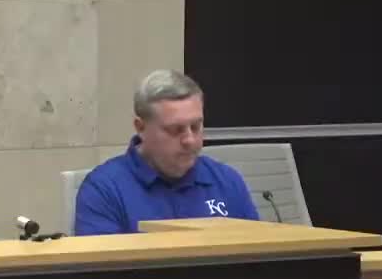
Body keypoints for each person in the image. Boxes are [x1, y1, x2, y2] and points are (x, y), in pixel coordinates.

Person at [74, 69, 259, 235]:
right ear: (140, 127)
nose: (189, 140)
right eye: (175, 130)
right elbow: (103, 262)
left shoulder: (227, 181)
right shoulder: (104, 190)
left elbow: (257, 254)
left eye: (196, 126)